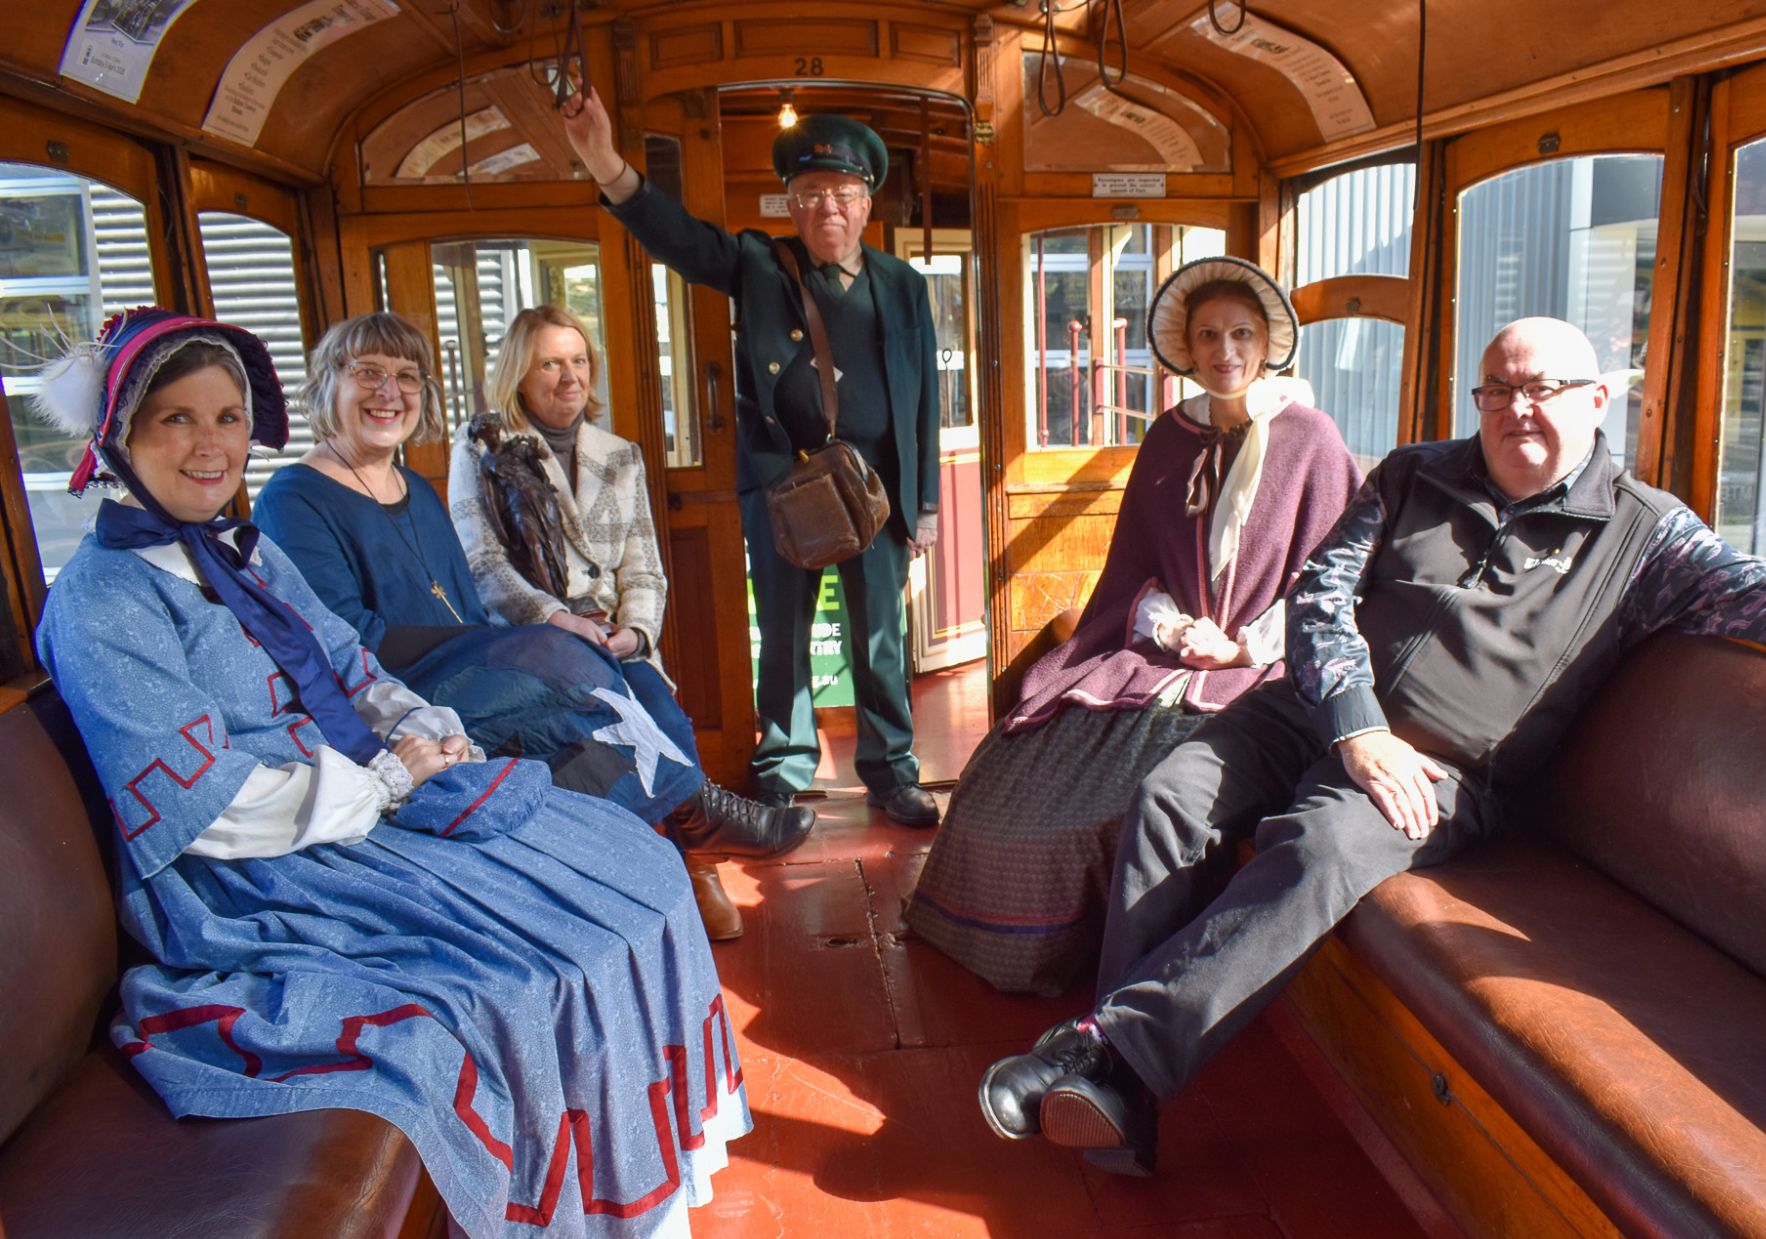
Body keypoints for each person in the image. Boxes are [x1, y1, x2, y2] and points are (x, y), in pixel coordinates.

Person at [976, 316, 1766, 1176]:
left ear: (1598, 399)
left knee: (1319, 850)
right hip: (1320, 713)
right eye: (1496, 389)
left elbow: (1761, 587)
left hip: (1446, 770)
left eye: (1543, 389)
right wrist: (1353, 722)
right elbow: (1321, 597)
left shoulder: (1643, 535)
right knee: (1168, 790)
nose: (1516, 411)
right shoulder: (1413, 475)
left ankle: (1099, 1050)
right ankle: (1120, 1091)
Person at [33, 308, 749, 1239]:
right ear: (118, 435)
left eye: (229, 417)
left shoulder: (243, 551)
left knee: (635, 867)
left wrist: (424, 726)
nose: (210, 445)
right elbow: (201, 802)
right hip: (259, 864)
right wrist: (379, 780)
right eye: (176, 421)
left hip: (360, 792)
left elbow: (347, 658)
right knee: (533, 960)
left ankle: (643, 1167)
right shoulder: (101, 598)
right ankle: (572, 1220)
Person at [254, 312, 807, 943]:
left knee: (617, 686)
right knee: (563, 661)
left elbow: (461, 600)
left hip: (467, 664)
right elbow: (345, 639)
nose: (390, 391)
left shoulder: (411, 486)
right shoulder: (294, 498)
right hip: (392, 690)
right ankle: (686, 821)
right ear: (328, 384)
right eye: (368, 373)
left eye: (407, 376)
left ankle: (665, 846)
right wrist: (520, 643)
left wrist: (610, 635)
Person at [903, 258, 1360, 995]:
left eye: (1242, 333)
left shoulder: (1311, 438)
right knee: (1006, 768)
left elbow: (1330, 581)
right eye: (1207, 334)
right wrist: (1180, 632)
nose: (1225, 351)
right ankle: (998, 936)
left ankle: (1097, 969)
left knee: (1112, 808)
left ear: (1270, 340)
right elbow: (1132, 572)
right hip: (1160, 652)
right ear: (1185, 345)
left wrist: (1243, 644)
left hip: (1260, 664)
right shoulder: (1169, 437)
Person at [559, 88, 943, 827]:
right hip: (785, 485)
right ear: (789, 204)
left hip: (878, 491)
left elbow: (926, 397)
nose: (827, 207)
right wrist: (606, 163)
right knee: (784, 633)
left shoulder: (904, 286)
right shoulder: (761, 265)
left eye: (841, 192)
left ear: (867, 204)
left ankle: (891, 771)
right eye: (808, 193)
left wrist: (924, 502)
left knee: (882, 640)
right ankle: (783, 767)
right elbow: (679, 238)